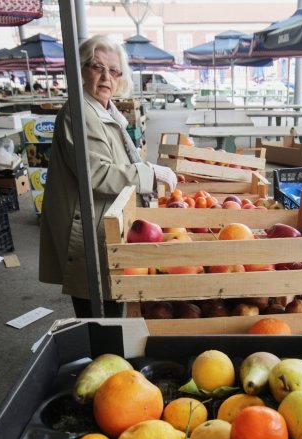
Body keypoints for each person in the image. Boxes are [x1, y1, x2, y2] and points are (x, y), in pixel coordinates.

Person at [38, 35, 177, 319]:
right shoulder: (79, 113)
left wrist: (146, 170)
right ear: (80, 70)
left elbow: (118, 160)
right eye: (96, 67)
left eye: (113, 71)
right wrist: (149, 173)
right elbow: (97, 174)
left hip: (107, 222)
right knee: (99, 314)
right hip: (88, 227)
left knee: (113, 302)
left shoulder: (104, 110)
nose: (106, 77)